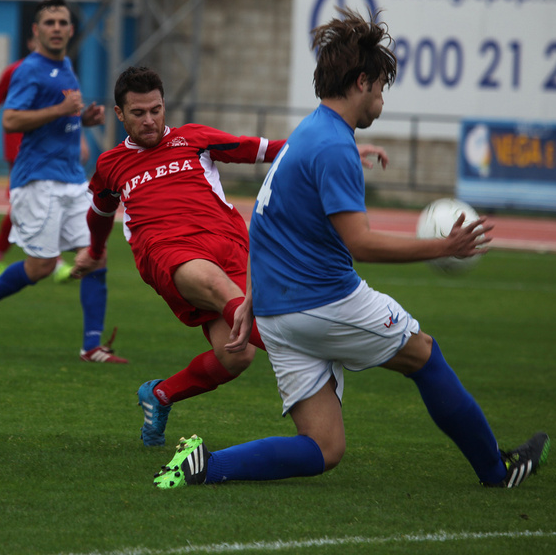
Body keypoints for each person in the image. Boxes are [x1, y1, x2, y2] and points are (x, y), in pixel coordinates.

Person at [152, 9, 550, 490]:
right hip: (324, 302)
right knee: (423, 354)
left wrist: (253, 301)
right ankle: (497, 471)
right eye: (380, 88)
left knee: (324, 447)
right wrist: (443, 246)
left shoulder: (307, 133)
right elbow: (359, 243)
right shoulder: (334, 146)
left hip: (278, 315)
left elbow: (261, 222)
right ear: (361, 82)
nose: (381, 100)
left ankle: (204, 466)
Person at [71, 66, 387, 445]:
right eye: (138, 113)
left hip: (231, 247)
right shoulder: (111, 165)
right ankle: (315, 348)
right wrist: (94, 250)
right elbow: (100, 214)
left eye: (156, 109)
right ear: (120, 114)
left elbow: (268, 150)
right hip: (168, 252)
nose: (150, 120)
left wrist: (341, 148)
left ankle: (160, 394)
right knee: (220, 290)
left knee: (235, 356)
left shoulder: (194, 138)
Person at [0, 0, 125, 364]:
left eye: (62, 22)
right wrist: (62, 110)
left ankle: (92, 347)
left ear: (71, 30)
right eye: (49, 22)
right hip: (37, 180)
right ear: (36, 31)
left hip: (71, 178)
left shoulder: (66, 65)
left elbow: (58, 119)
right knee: (42, 267)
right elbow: (11, 120)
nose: (56, 28)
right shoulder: (28, 69)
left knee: (95, 257)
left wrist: (81, 120)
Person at [0, 36, 86, 283]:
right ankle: (7, 259)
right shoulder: (18, 71)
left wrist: (80, 140)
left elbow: (70, 112)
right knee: (24, 204)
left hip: (55, 151)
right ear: (31, 40)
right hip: (22, 148)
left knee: (44, 202)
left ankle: (1, 258)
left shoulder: (64, 70)